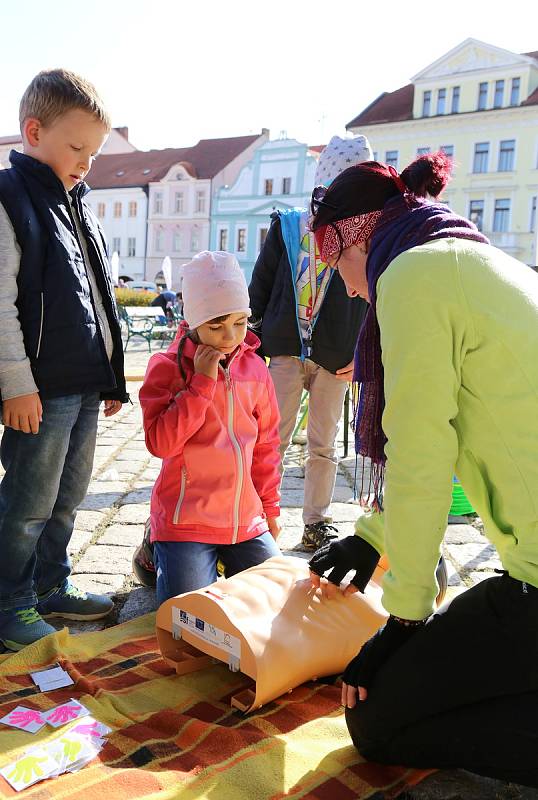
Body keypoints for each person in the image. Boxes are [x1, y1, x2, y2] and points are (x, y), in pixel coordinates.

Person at [307, 152, 538, 787]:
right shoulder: (475, 259)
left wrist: (403, 621)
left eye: (340, 267)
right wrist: (377, 535)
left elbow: (422, 454)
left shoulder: (412, 275)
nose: (350, 289)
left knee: (377, 721)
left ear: (361, 237)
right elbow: (478, 434)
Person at [0, 69, 129, 651]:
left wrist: (110, 373)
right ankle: (9, 603)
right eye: (77, 148)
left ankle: (51, 583)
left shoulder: (78, 202)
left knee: (67, 496)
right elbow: (1, 305)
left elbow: (97, 293)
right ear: (33, 131)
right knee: (27, 503)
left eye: (94, 153)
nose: (86, 162)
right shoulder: (10, 199)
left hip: (80, 384)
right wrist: (15, 385)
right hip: (38, 389)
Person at [249, 136, 370, 551]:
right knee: (272, 439)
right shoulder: (288, 225)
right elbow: (261, 285)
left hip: (338, 357)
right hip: (285, 348)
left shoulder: (366, 232)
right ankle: (260, 516)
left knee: (324, 443)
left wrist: (364, 354)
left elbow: (377, 300)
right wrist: (251, 339)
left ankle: (316, 521)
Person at [139, 251, 281, 605]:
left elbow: (266, 446)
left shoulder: (256, 370)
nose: (230, 336)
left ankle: (193, 556)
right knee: (189, 619)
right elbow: (161, 443)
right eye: (216, 326)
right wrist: (200, 385)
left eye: (240, 322)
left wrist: (270, 510)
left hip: (243, 521)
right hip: (186, 522)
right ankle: (153, 548)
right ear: (193, 322)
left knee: (274, 603)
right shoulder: (166, 367)